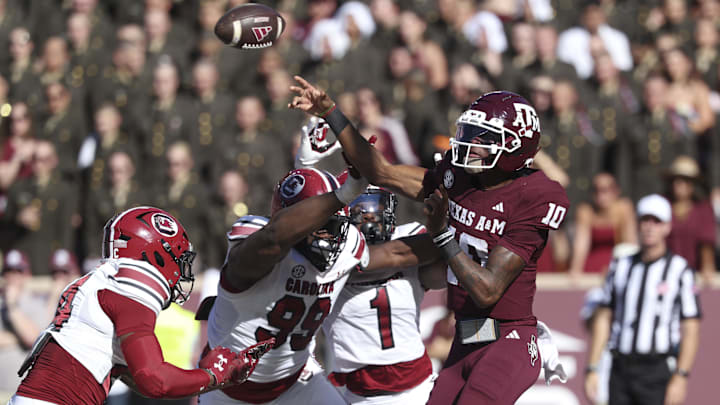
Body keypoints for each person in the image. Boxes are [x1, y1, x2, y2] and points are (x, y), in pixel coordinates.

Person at [289, 76, 569, 403]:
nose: (469, 143)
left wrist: (442, 234)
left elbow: (488, 290)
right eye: (470, 133)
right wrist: (331, 113)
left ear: (514, 146)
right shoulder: (458, 177)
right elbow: (382, 172)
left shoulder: (533, 196)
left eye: (483, 138)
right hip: (468, 336)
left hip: (511, 337)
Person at [197, 160, 438, 404]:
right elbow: (273, 238)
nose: (332, 237)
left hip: (294, 383)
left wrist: (458, 230)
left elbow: (396, 253)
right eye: (322, 226)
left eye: (336, 226)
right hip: (228, 388)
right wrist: (341, 194)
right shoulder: (256, 245)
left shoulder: (346, 248)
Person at [11, 207, 273, 404]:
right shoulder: (129, 286)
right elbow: (154, 378)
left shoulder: (101, 282)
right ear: (156, 254)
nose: (181, 272)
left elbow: (141, 380)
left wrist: (207, 377)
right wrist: (215, 375)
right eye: (178, 259)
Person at [324, 186, 446, 404]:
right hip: (360, 392)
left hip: (418, 386)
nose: (371, 215)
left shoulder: (407, 236)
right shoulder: (327, 253)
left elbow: (441, 263)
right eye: (361, 208)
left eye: (378, 207)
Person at [584, 194, 701, 405]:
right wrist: (593, 366)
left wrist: (681, 376)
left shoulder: (679, 270)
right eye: (645, 220)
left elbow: (691, 327)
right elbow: (604, 318)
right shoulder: (620, 266)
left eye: (656, 222)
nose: (650, 227)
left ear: (667, 227)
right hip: (621, 367)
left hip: (656, 368)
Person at [569, 173, 637, 278]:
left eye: (605, 190)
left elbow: (631, 243)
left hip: (617, 266)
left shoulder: (624, 208)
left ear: (616, 191)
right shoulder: (586, 211)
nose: (600, 196)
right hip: (591, 268)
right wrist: (575, 270)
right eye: (596, 191)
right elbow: (581, 244)